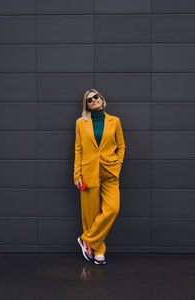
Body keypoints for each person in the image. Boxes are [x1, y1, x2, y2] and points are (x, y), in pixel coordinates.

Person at [74, 89, 126, 265]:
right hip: (88, 173)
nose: (94, 100)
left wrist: (117, 167)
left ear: (102, 99)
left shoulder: (115, 121)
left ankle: (86, 239)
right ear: (86, 105)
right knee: (90, 214)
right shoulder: (81, 123)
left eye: (96, 97)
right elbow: (78, 149)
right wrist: (77, 175)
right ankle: (99, 251)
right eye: (90, 99)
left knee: (112, 209)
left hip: (110, 172)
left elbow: (121, 146)